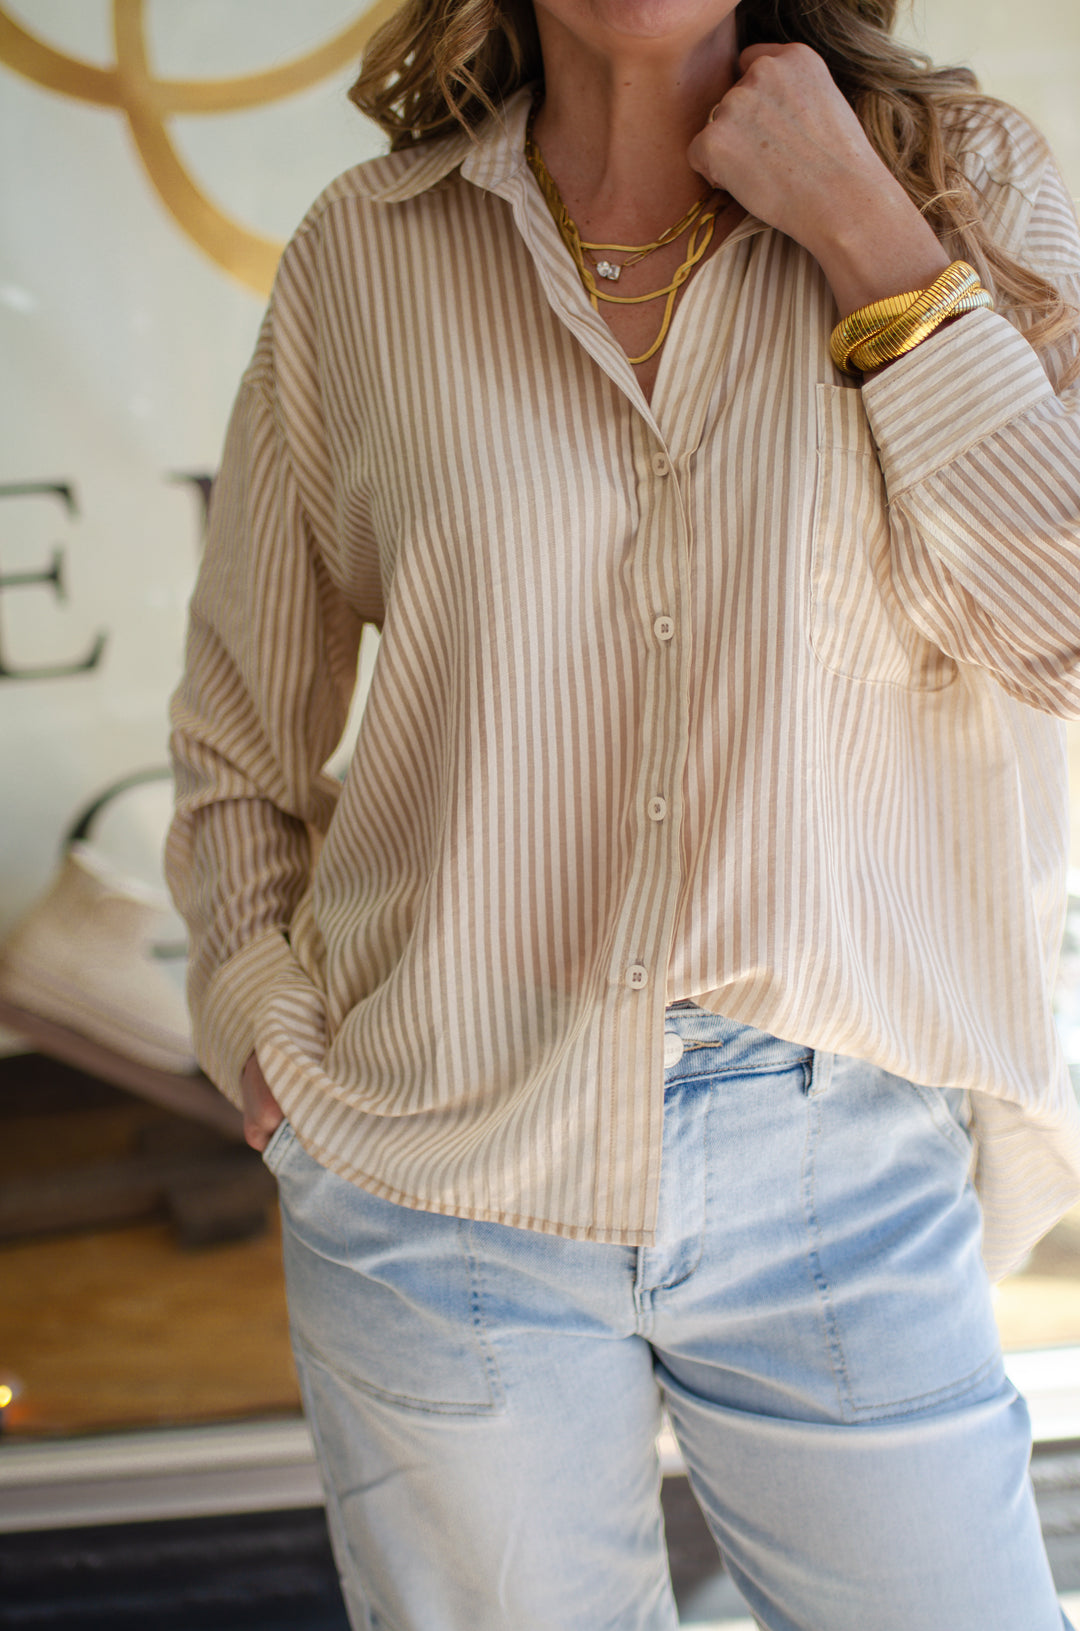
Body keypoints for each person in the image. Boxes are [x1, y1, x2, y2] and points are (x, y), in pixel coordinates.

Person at [166, 0, 1080, 1624]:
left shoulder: (959, 188)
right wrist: (262, 1025)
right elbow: (244, 723)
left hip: (835, 1150)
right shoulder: (367, 258)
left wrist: (863, 234)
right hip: (436, 1152)